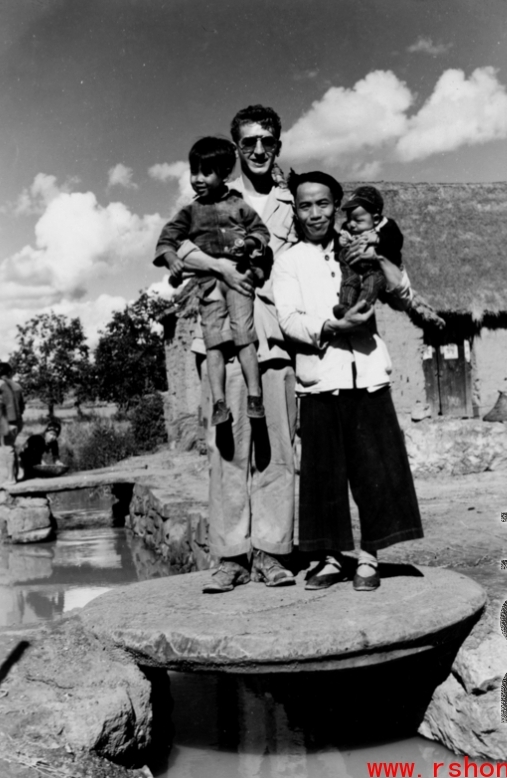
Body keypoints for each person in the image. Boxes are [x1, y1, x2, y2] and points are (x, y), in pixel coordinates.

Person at [154, 105, 298, 592]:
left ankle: (274, 552)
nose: (259, 150)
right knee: (228, 451)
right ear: (236, 150)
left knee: (276, 453)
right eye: (249, 142)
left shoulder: (290, 201)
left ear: (278, 145)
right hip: (217, 340)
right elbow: (183, 250)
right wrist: (223, 269)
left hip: (273, 340)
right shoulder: (205, 204)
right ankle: (232, 555)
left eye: (268, 141)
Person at [272, 172, 424, 592]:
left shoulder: (357, 243)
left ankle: (370, 556)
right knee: (323, 473)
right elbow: (288, 320)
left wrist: (381, 260)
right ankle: (328, 557)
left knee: (375, 467)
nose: (315, 213)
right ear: (296, 212)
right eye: (305, 205)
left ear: (335, 206)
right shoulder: (288, 262)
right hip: (320, 376)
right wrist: (333, 324)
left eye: (323, 204)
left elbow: (399, 289)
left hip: (368, 372)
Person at [155, 137, 271, 426]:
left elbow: (261, 232)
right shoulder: (190, 212)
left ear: (225, 174)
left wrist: (249, 244)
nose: (198, 179)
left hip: (238, 279)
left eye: (206, 172)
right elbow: (166, 240)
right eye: (194, 171)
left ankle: (254, 396)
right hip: (208, 284)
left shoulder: (239, 206)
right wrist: (172, 259)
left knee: (244, 336)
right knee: (213, 342)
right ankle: (219, 403)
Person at [335, 185, 445, 330]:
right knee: (349, 281)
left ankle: (363, 306)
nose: (351, 224)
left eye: (358, 220)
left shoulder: (387, 226)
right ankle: (345, 305)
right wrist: (340, 241)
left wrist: (377, 239)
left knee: (372, 284)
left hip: (381, 270)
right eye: (349, 219)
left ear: (375, 219)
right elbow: (339, 247)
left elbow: (396, 242)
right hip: (357, 268)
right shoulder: (348, 227)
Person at [0, 362, 25, 486]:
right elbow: (22, 406)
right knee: (5, 446)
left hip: (7, 421)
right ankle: (18, 471)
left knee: (7, 448)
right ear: (10, 372)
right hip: (18, 421)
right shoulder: (18, 386)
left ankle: (11, 478)